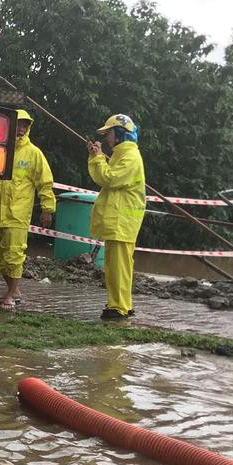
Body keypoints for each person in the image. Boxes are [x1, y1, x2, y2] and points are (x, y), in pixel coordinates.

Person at [0, 109, 56, 308]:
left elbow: (45, 184)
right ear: (9, 126)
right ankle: (14, 290)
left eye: (25, 125)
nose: (21, 128)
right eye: (18, 124)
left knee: (14, 256)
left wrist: (47, 209)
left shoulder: (34, 154)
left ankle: (12, 295)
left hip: (18, 215)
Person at [87, 113, 146, 320]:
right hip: (118, 222)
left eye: (109, 133)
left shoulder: (129, 157)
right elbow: (103, 177)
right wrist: (98, 158)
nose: (107, 138)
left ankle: (119, 308)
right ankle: (120, 304)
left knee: (118, 267)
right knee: (114, 267)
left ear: (120, 134)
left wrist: (98, 158)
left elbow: (109, 179)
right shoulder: (123, 155)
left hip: (123, 222)